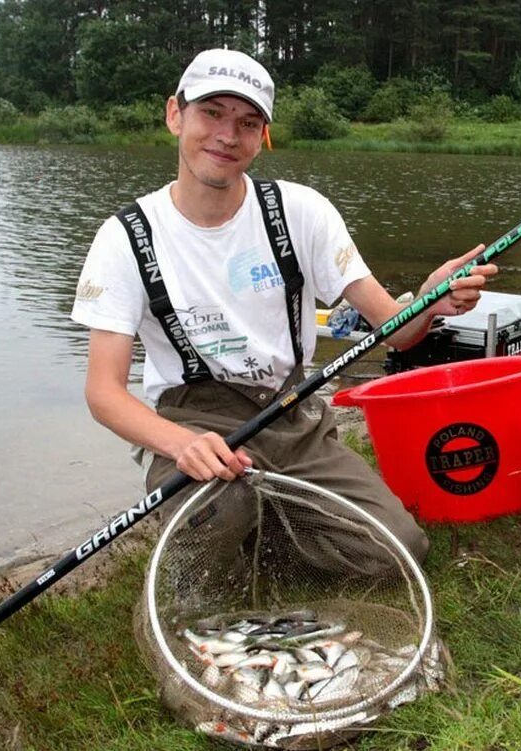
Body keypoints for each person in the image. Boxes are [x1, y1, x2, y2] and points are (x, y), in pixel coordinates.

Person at [70, 48, 497, 565]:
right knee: (219, 514)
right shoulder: (124, 238)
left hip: (292, 413)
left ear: (263, 137)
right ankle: (238, 519)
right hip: (194, 418)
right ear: (174, 114)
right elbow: (103, 392)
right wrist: (180, 443)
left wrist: (429, 299)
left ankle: (272, 522)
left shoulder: (301, 211)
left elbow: (398, 332)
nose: (228, 136)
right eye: (212, 113)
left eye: (248, 122)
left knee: (397, 552)